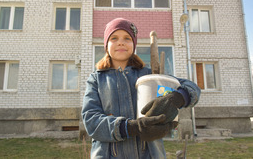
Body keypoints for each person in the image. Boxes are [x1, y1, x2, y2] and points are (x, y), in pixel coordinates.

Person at [82, 18, 201, 159]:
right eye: (114, 38)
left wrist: (177, 98)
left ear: (134, 44)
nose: (121, 42)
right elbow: (91, 121)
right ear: (106, 44)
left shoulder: (150, 76)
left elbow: (192, 88)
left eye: (127, 38)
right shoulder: (96, 79)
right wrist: (131, 127)